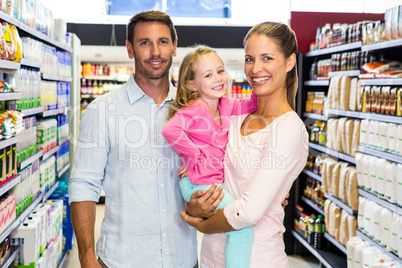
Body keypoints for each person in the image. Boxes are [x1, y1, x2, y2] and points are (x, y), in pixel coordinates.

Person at [68, 11, 202, 268]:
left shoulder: (193, 110)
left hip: (183, 259)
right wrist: (86, 257)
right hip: (122, 260)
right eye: (144, 42)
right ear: (129, 49)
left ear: (174, 46)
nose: (155, 52)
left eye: (163, 42)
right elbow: (83, 186)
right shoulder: (102, 110)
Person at [181, 21, 309, 267]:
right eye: (250, 59)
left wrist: (201, 223)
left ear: (290, 62)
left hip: (257, 260)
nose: (256, 68)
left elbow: (248, 212)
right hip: (210, 258)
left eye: (267, 58)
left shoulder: (289, 129)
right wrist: (193, 199)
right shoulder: (233, 116)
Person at [161, 46, 257, 267]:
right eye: (208, 75)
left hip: (212, 183)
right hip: (197, 184)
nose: (218, 78)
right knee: (242, 223)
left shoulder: (226, 104)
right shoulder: (196, 108)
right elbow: (170, 130)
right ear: (192, 85)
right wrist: (193, 155)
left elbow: (252, 104)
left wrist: (255, 79)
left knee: (235, 225)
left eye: (220, 71)